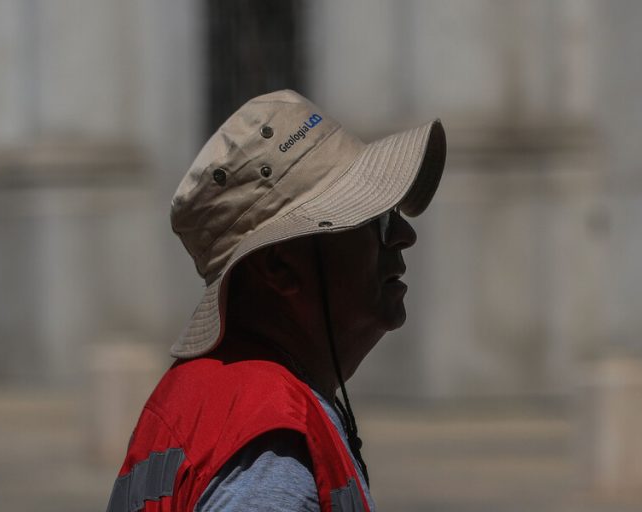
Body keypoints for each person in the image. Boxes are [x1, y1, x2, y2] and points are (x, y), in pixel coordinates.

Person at [105, 90, 446, 512]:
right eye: (374, 218)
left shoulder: (210, 398)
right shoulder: (272, 459)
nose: (402, 236)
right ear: (280, 266)